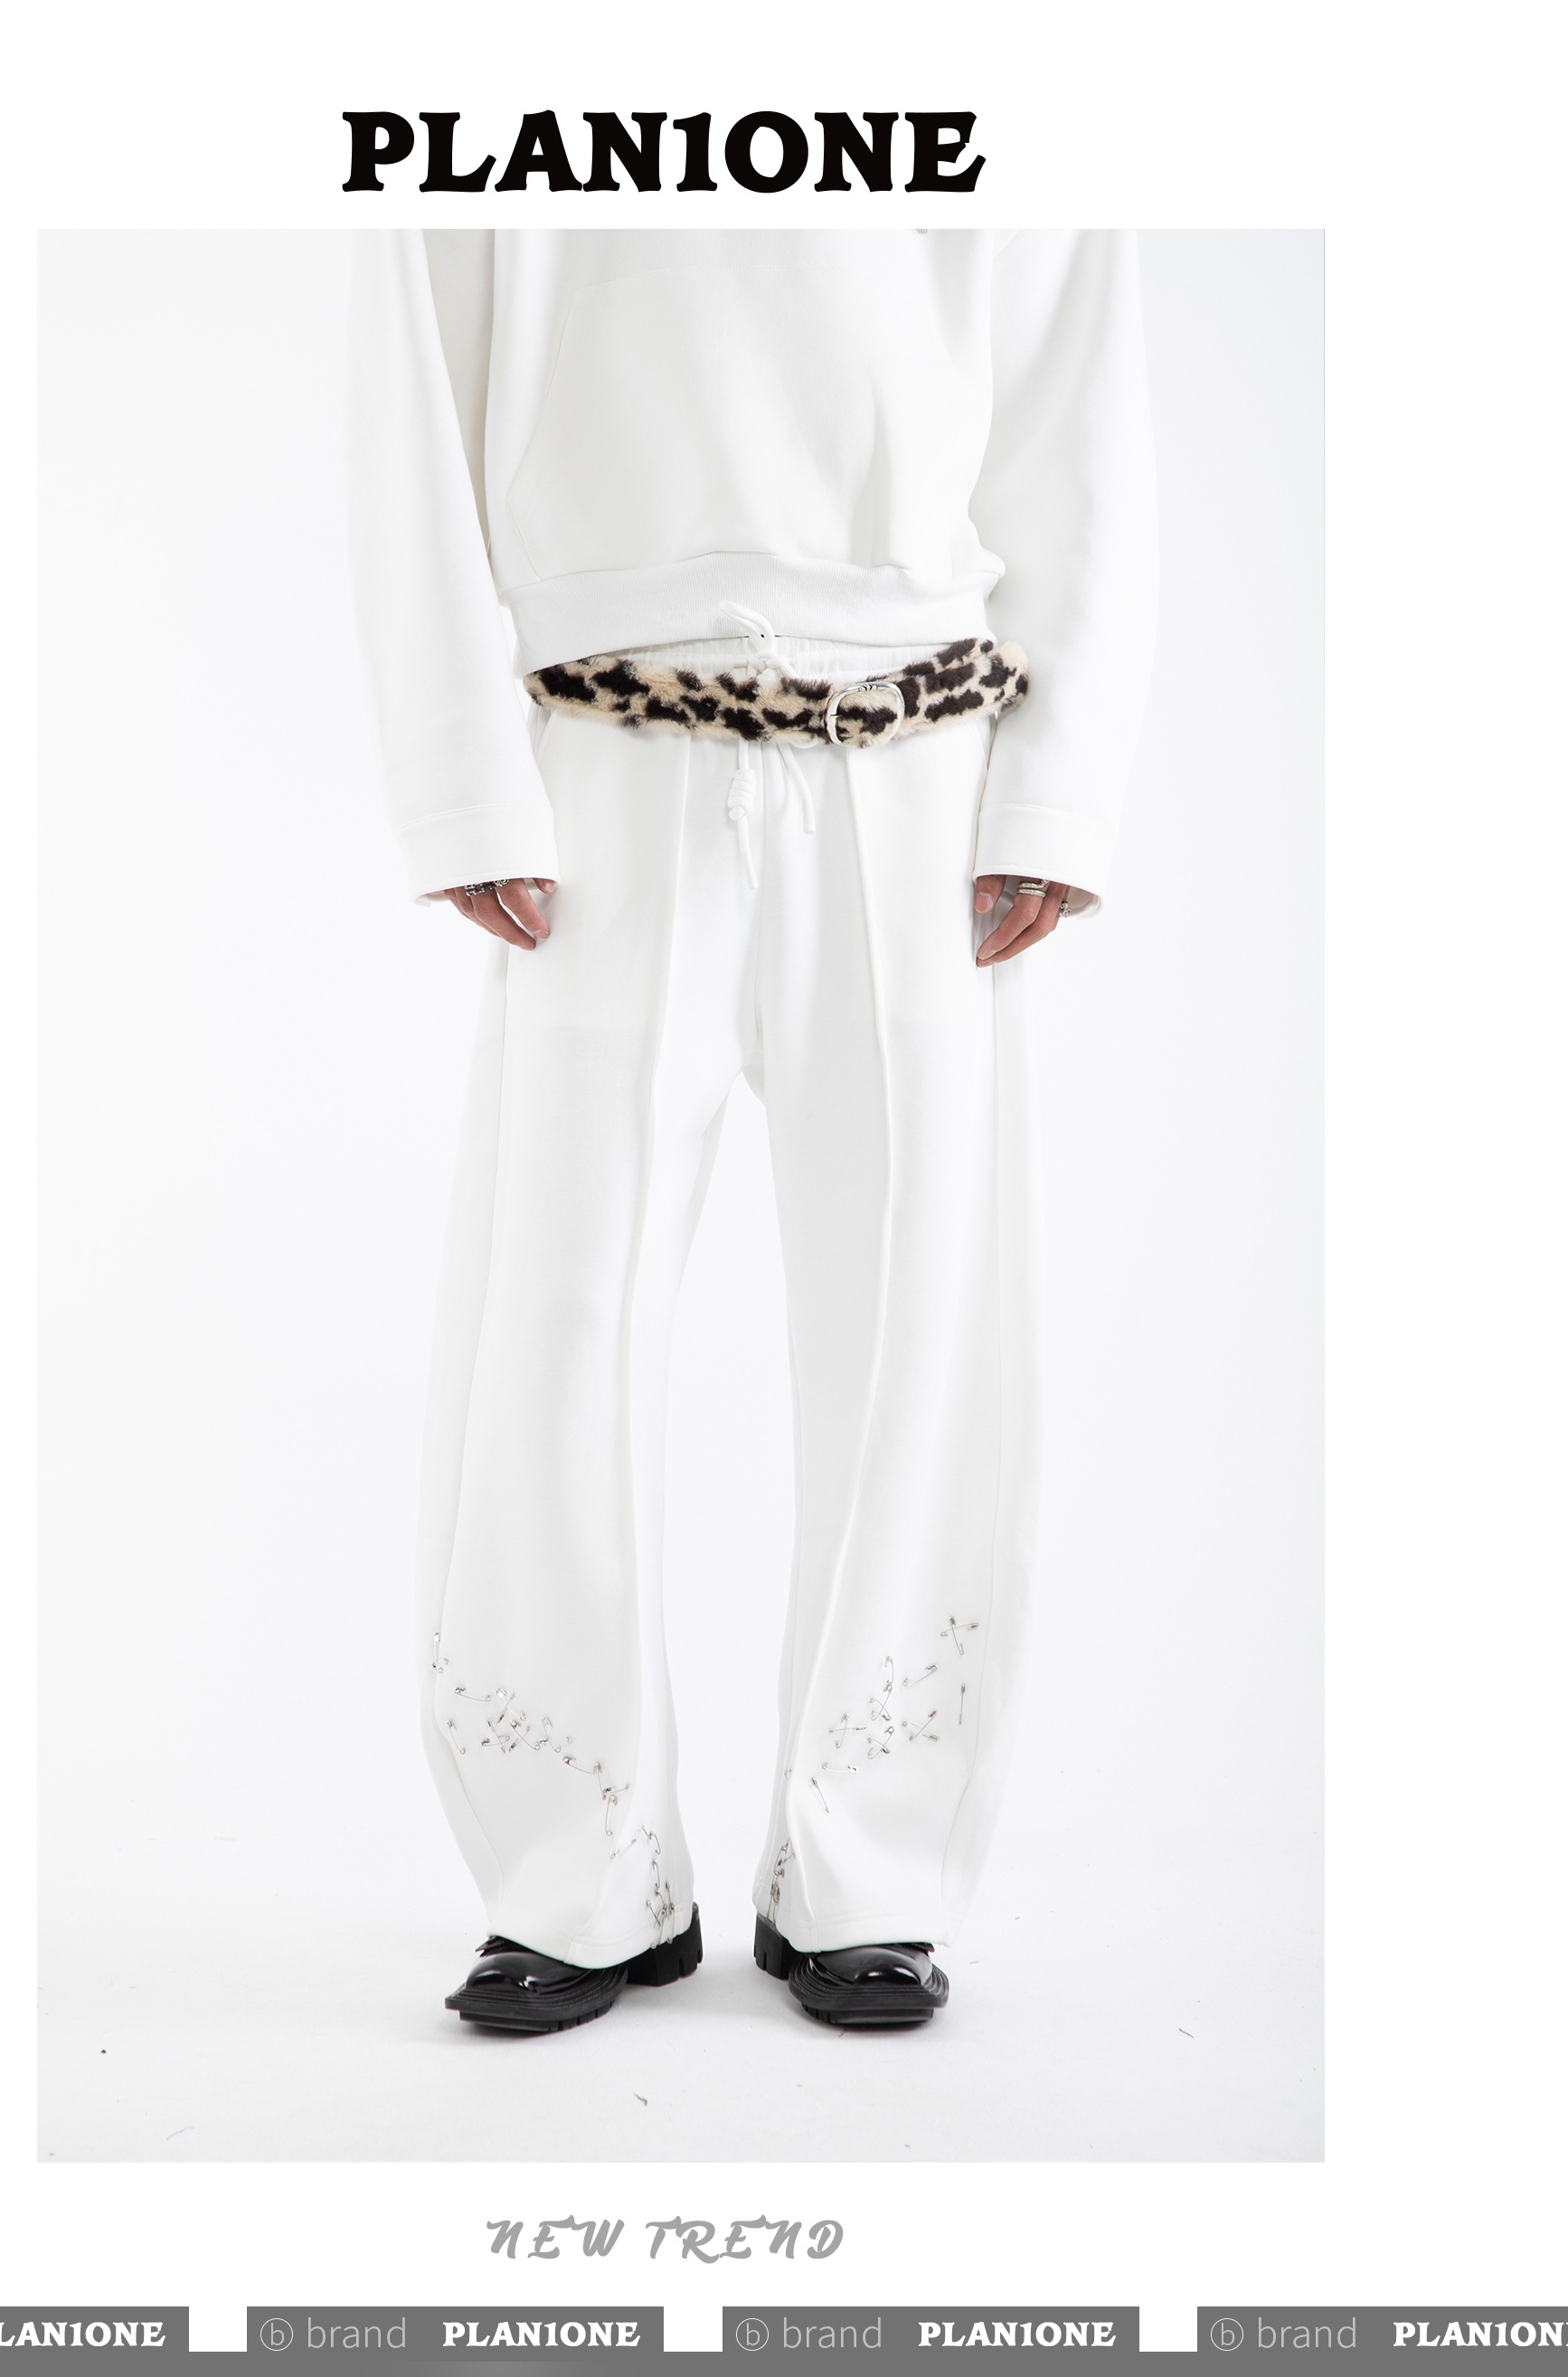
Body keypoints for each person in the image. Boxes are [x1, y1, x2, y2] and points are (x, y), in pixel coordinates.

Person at [348, 228, 1157, 2031]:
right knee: (557, 1308)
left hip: (922, 743)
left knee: (917, 1317)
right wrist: (455, 774)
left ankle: (870, 1859)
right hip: (596, 736)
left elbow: (1074, 379)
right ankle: (576, 1867)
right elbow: (411, 357)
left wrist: (1061, 783)